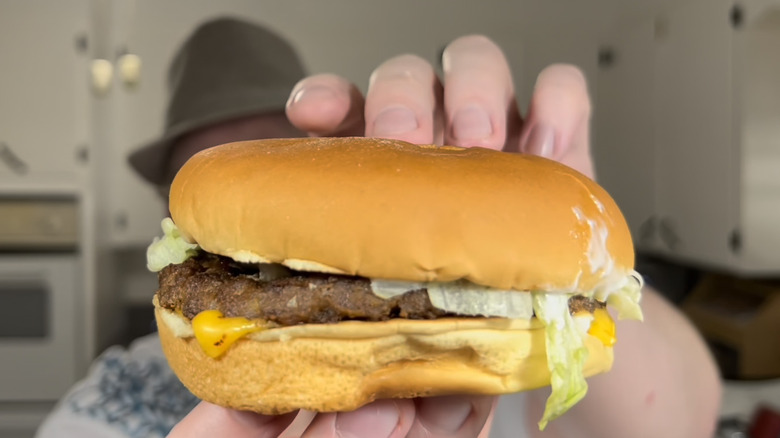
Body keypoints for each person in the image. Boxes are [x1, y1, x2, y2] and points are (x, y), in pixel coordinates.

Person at [40, 17, 722, 438]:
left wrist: (539, 216)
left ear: (333, 147)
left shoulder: (479, 389)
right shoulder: (118, 397)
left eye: (281, 152)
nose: (275, 219)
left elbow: (682, 418)